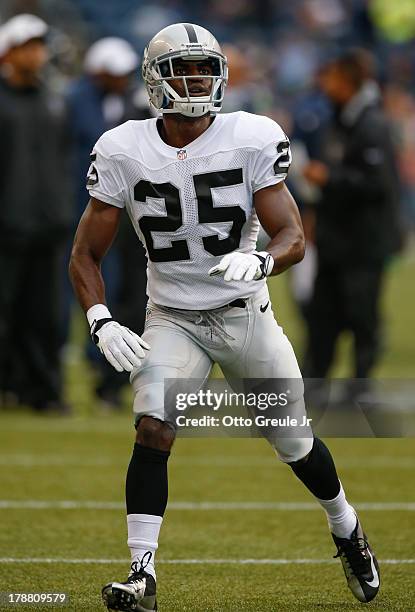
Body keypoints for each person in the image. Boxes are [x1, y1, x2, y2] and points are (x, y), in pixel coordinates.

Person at [69, 24, 380, 610]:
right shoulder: (120, 148)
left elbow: (291, 235)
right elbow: (85, 252)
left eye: (204, 68)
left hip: (245, 316)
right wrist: (102, 319)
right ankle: (141, 574)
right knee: (154, 425)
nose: (197, 81)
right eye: (183, 70)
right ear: (155, 80)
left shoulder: (251, 135)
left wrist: (260, 258)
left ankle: (346, 526)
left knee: (293, 440)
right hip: (173, 317)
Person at [302, 50, 402, 383]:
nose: (325, 84)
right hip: (336, 240)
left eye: (331, 78)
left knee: (362, 315)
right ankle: (316, 378)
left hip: (362, 244)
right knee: (323, 314)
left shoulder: (371, 125)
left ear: (347, 81)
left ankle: (361, 383)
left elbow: (378, 184)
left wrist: (329, 178)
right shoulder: (341, 118)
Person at [66, 37, 150, 408]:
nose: (121, 80)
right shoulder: (76, 103)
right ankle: (102, 372)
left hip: (136, 217)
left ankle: (120, 379)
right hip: (92, 210)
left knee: (137, 296)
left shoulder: (137, 102)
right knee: (102, 291)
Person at [0, 14, 73, 412]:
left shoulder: (53, 99)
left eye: (40, 45)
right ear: (8, 51)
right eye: (28, 46)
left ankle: (42, 391)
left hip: (46, 228)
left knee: (45, 319)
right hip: (5, 229)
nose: (37, 54)